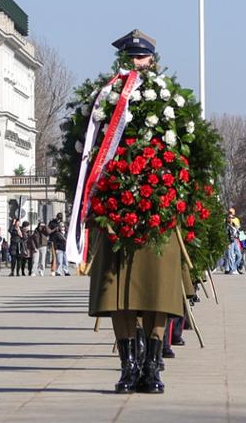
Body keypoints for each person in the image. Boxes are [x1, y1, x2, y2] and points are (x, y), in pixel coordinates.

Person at [80, 29, 189, 395]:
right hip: (115, 212)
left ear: (153, 61)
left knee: (158, 293)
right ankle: (128, 367)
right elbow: (88, 150)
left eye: (141, 58)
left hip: (156, 211)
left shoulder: (168, 99)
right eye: (130, 58)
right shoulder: (107, 99)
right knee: (118, 296)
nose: (136, 64)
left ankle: (152, 366)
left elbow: (187, 154)